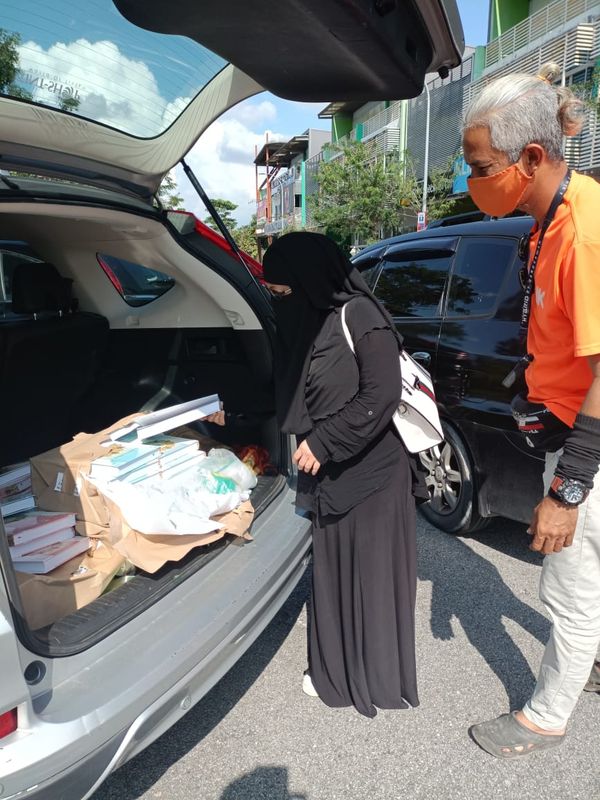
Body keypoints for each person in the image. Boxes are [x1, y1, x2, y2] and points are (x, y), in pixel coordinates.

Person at [462, 63, 600, 757]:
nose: (472, 181)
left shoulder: (585, 233)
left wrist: (568, 490)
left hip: (590, 448)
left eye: (481, 166)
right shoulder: (547, 224)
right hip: (567, 426)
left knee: (570, 590)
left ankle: (545, 718)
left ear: (533, 156)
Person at [262, 231, 424, 718]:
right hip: (331, 477)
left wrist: (323, 441)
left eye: (285, 291)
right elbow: (287, 392)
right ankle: (336, 669)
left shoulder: (361, 316)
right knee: (334, 575)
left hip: (374, 474)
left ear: (310, 280)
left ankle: (370, 677)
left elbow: (381, 395)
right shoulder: (311, 321)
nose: (281, 301)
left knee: (371, 578)